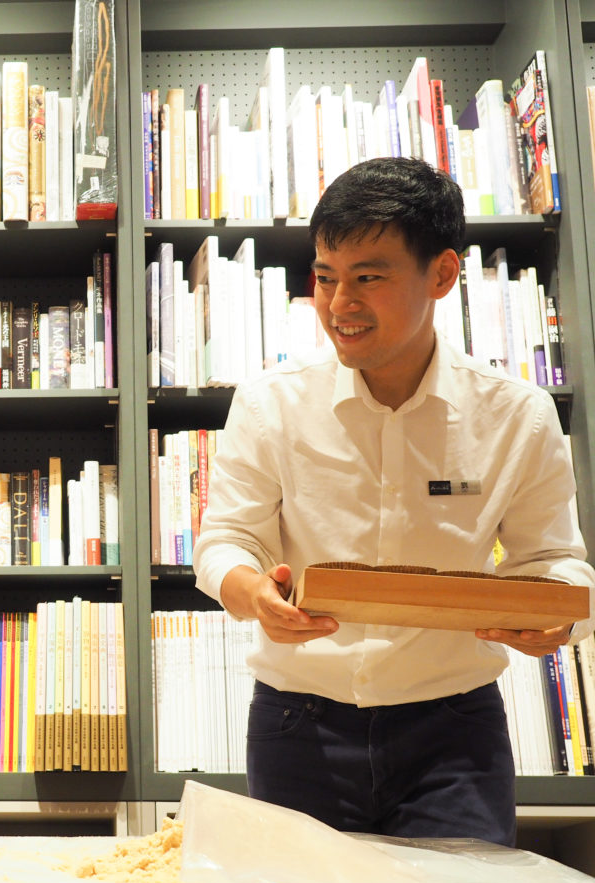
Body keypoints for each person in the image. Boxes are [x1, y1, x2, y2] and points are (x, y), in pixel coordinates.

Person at [191, 156, 595, 846]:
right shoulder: (270, 403)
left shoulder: (517, 414)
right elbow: (225, 539)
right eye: (324, 278)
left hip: (454, 730)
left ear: (441, 274)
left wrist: (555, 619)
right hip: (297, 726)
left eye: (368, 278)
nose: (339, 304)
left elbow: (555, 559)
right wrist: (252, 591)